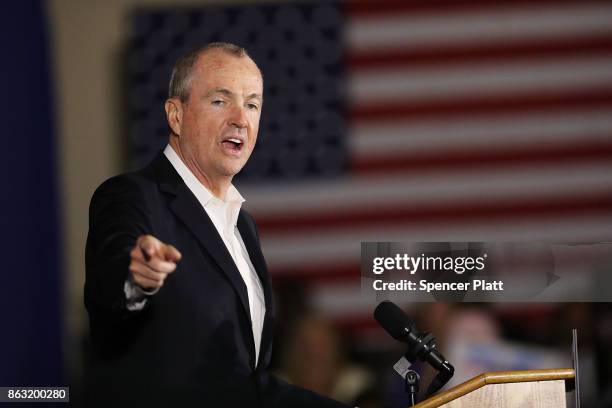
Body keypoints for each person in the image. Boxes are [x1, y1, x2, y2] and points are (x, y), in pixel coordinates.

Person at [84, 42, 349, 407]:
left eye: (252, 104)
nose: (241, 118)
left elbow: (252, 388)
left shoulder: (243, 228)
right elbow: (111, 282)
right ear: (175, 115)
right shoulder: (133, 196)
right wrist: (135, 280)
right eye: (221, 101)